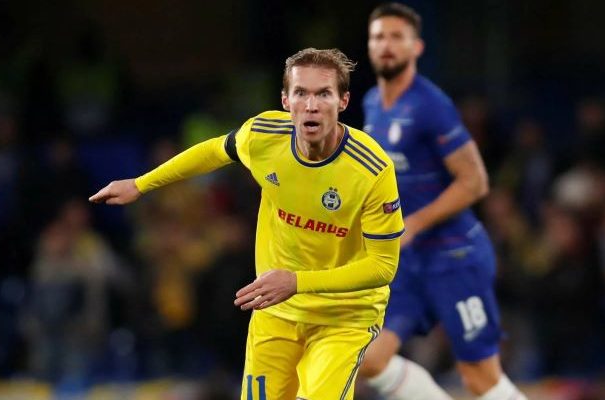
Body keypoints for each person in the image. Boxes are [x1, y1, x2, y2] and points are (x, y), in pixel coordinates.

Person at [89, 48, 404, 400]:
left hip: (343, 317)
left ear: (343, 101)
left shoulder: (372, 170)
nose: (311, 105)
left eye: (323, 94)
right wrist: (141, 184)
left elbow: (383, 266)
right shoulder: (264, 136)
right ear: (286, 100)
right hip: (277, 311)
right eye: (301, 93)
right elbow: (214, 151)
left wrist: (296, 282)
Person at [357, 4, 527, 400]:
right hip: (406, 262)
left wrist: (414, 223)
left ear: (417, 47)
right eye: (379, 37)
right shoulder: (371, 103)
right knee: (369, 360)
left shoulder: (431, 105)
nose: (386, 45)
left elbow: (475, 182)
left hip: (453, 257)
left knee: (479, 377)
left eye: (396, 37)